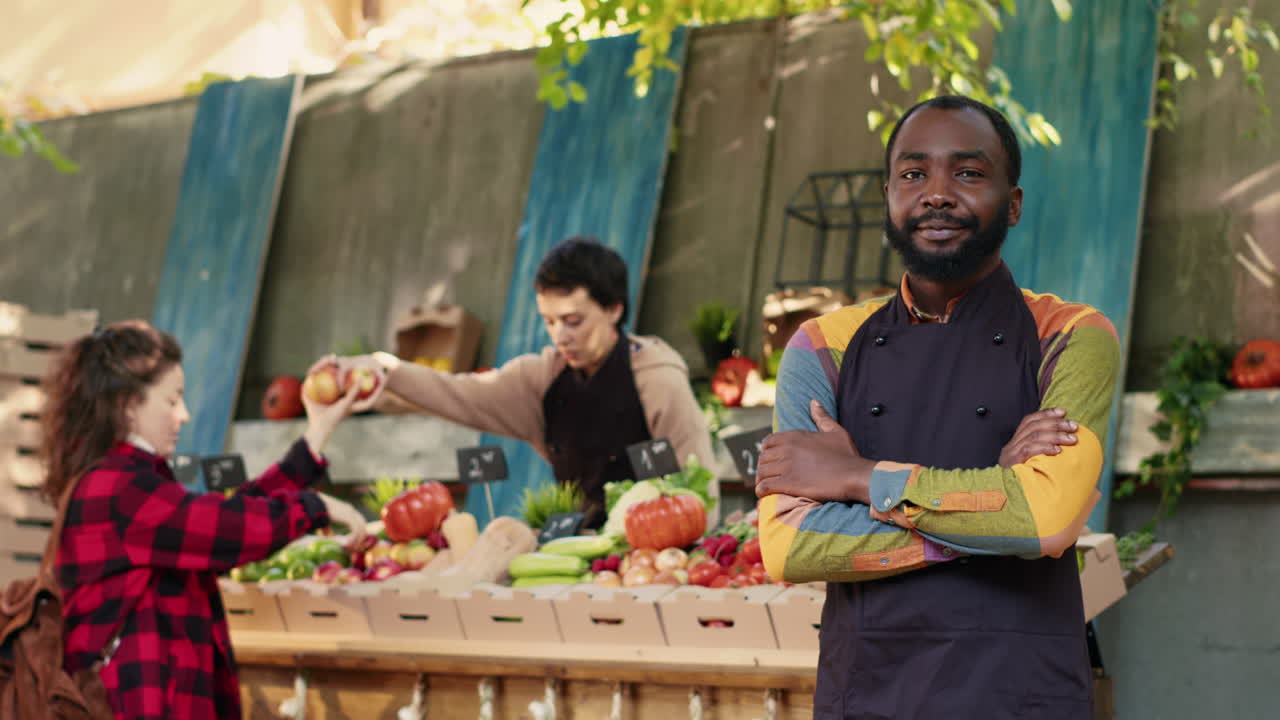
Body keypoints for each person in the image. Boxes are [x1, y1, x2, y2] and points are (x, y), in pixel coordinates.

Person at [754, 95, 1120, 719]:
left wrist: (858, 477)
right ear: (889, 196)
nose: (937, 194)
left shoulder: (1074, 334)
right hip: (868, 691)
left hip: (1021, 694)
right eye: (913, 173)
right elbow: (791, 546)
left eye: (969, 173)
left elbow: (1046, 519)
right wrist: (995, 512)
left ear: (1013, 204)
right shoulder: (821, 346)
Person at [43, 320, 368, 719]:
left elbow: (212, 525)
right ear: (127, 404)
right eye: (172, 399)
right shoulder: (118, 488)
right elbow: (226, 528)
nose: (184, 414)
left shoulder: (130, 481)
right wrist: (312, 506)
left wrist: (315, 438)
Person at [334, 237, 716, 528]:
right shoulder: (541, 378)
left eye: (573, 321)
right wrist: (386, 371)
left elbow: (700, 488)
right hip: (578, 547)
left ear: (614, 309)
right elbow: (460, 394)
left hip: (656, 554)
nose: (560, 337)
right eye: (549, 322)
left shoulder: (658, 379)